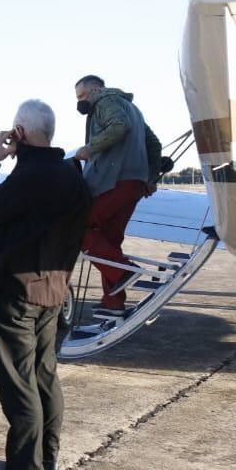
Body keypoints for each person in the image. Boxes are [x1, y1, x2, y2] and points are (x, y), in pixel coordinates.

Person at [0, 100, 90, 470]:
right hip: (53, 292)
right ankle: (46, 459)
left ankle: (25, 469)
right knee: (44, 376)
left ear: (19, 132)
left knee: (19, 382)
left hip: (18, 293)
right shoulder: (73, 176)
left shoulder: (29, 175)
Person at [73, 75, 162, 317]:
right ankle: (113, 302)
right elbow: (154, 144)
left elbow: (119, 126)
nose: (80, 102)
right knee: (109, 241)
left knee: (75, 227)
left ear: (95, 89)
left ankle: (125, 272)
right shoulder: (133, 108)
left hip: (114, 182)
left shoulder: (104, 101)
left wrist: (89, 149)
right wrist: (151, 177)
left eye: (82, 96)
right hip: (134, 185)